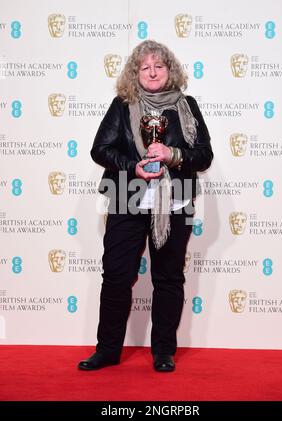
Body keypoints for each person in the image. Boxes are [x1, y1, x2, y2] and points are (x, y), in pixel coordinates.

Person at [78, 40, 213, 372]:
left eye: (159, 66)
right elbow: (100, 149)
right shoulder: (122, 105)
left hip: (175, 202)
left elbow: (205, 156)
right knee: (116, 276)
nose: (152, 72)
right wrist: (131, 166)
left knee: (168, 278)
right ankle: (108, 350)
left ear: (170, 71)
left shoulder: (187, 105)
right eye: (145, 67)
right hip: (127, 198)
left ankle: (163, 351)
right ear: (134, 73)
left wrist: (173, 155)